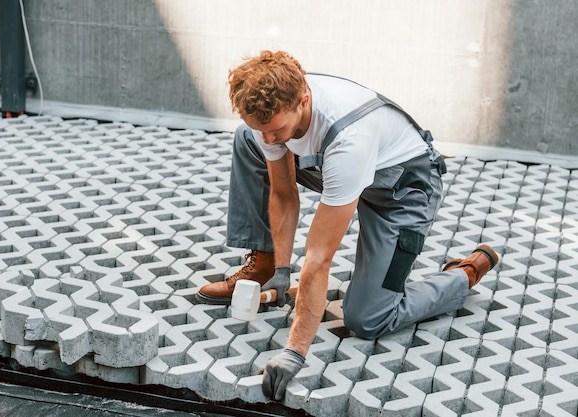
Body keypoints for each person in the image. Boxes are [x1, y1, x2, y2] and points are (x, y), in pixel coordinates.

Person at [196, 50, 499, 401]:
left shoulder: (348, 139)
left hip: (400, 190)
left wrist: (295, 351)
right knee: (246, 140)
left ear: (303, 99)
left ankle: (463, 275)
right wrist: (281, 267)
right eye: (262, 127)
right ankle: (262, 267)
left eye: (276, 129)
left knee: (369, 319)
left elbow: (319, 256)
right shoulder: (274, 118)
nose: (270, 139)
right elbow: (282, 193)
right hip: (341, 169)